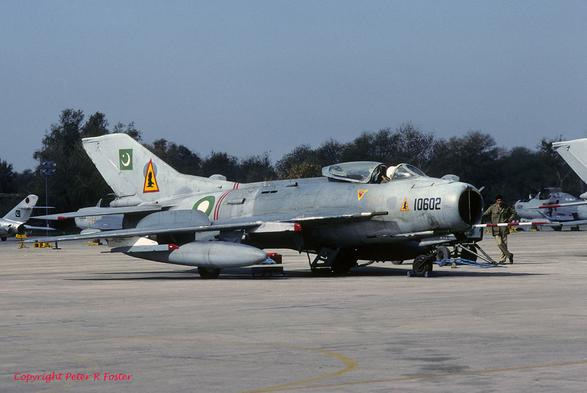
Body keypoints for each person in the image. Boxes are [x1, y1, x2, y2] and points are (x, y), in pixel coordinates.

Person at [482, 195, 518, 264]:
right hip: (495, 229)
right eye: (498, 200)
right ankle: (509, 255)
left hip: (504, 228)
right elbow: (485, 214)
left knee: (504, 244)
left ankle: (503, 259)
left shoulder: (507, 207)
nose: (500, 201)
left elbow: (514, 213)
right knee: (499, 243)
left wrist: (509, 219)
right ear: (496, 201)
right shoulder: (492, 207)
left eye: (501, 200)